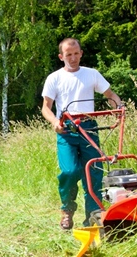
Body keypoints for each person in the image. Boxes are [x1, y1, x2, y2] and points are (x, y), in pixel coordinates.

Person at [41, 38, 123, 230]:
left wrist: (119, 108)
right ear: (61, 57)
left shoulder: (91, 74)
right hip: (66, 130)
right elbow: (46, 107)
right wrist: (54, 122)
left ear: (81, 53)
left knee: (94, 173)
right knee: (70, 171)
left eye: (76, 53)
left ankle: (93, 219)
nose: (73, 57)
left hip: (89, 128)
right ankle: (67, 212)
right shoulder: (55, 78)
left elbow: (110, 95)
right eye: (68, 54)